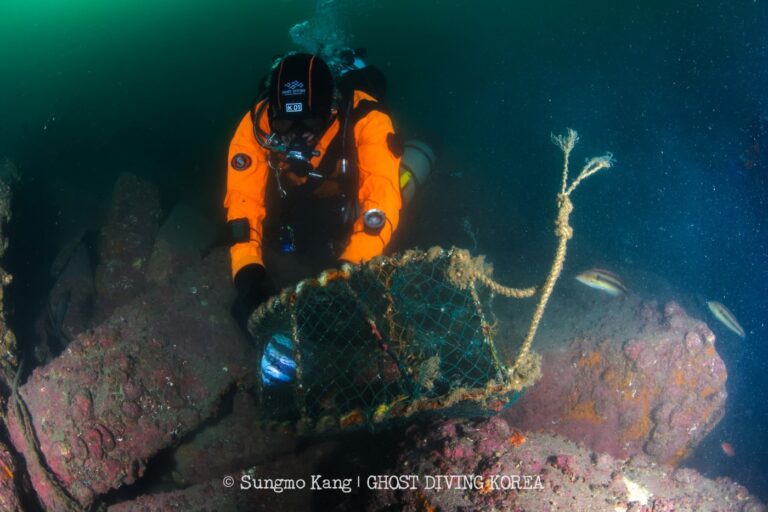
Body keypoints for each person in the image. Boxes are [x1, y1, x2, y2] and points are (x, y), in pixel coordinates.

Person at [224, 52, 404, 328]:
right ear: (272, 113)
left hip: (345, 193)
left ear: (332, 108)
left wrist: (347, 269)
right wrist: (247, 269)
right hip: (297, 195)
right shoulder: (257, 122)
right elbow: (242, 197)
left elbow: (382, 196)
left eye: (310, 122)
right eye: (285, 124)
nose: (297, 135)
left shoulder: (367, 117)